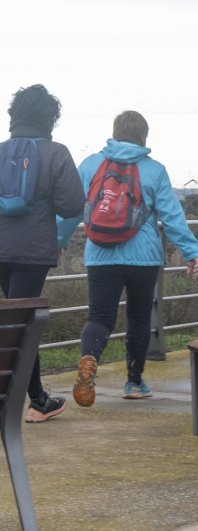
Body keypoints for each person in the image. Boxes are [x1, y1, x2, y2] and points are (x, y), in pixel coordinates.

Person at [58, 111, 198, 408]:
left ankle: (89, 360)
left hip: (100, 255)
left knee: (99, 317)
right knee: (138, 316)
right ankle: (134, 382)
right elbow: (171, 216)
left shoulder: (91, 164)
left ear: (115, 132)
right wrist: (190, 251)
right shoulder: (154, 170)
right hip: (143, 257)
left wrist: (58, 240)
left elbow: (71, 209)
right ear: (143, 136)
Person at [0, 85, 85, 422]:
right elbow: (72, 205)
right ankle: (35, 401)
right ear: (50, 118)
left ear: (14, 115)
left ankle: (38, 398)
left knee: (17, 323)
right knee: (22, 324)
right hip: (32, 252)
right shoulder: (56, 153)